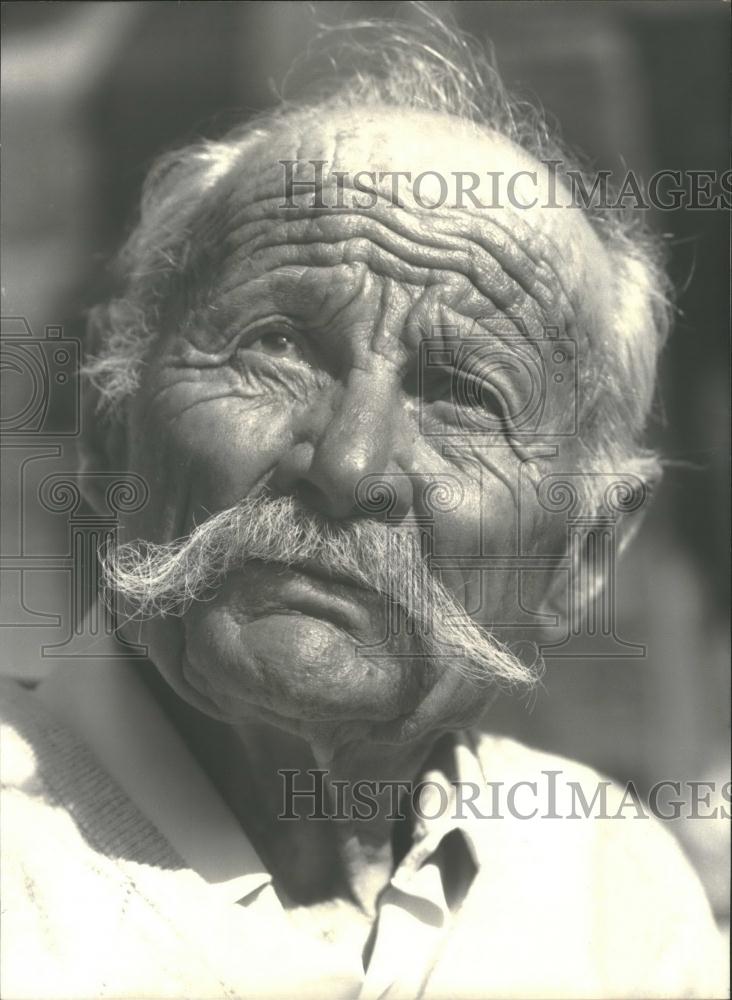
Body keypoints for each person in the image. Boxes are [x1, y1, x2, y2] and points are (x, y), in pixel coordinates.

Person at [1, 17, 725, 1000]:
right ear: (110, 425)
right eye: (278, 347)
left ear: (585, 553)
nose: (348, 463)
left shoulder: (610, 886)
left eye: (466, 398)